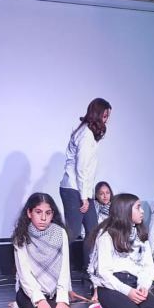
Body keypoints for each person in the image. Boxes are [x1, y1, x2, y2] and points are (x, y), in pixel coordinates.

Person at [86, 193, 154, 308]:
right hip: (110, 286)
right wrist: (127, 291)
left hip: (134, 282)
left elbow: (148, 266)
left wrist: (143, 287)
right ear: (125, 210)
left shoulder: (140, 234)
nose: (142, 211)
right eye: (138, 207)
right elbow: (104, 272)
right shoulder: (106, 236)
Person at [8, 193, 72, 308]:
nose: (43, 218)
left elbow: (64, 269)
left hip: (53, 292)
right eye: (38, 212)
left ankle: (46, 307)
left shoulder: (60, 233)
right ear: (29, 213)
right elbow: (24, 274)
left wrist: (62, 300)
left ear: (52, 214)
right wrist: (40, 301)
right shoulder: (21, 235)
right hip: (28, 292)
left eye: (48, 213)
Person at [59, 97, 112, 243]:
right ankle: (53, 255)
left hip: (82, 190)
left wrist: (87, 195)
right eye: (104, 116)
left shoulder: (87, 132)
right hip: (73, 189)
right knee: (73, 232)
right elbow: (81, 168)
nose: (106, 120)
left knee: (93, 230)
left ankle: (89, 259)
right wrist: (84, 198)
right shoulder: (86, 135)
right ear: (97, 114)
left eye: (107, 116)